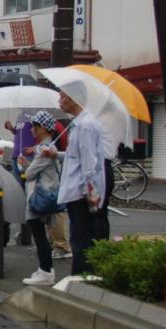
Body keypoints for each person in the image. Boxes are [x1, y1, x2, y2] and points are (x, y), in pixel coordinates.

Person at [43, 88, 106, 276]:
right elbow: (77, 157)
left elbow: (89, 163)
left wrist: (90, 192)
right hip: (78, 189)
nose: (59, 101)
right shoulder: (79, 124)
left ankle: (81, 276)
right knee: (80, 236)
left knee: (81, 237)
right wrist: (56, 154)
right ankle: (81, 275)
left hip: (81, 191)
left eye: (62, 96)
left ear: (74, 98)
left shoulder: (85, 125)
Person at [19, 112, 63, 285]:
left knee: (38, 233)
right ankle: (44, 269)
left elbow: (30, 174)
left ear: (43, 128)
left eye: (34, 127)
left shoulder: (46, 149)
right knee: (40, 233)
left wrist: (27, 167)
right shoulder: (46, 147)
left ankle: (45, 271)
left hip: (39, 196)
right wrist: (28, 165)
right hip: (43, 193)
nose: (32, 130)